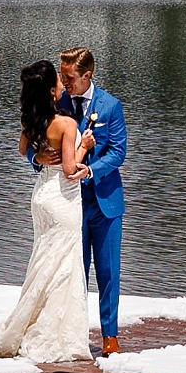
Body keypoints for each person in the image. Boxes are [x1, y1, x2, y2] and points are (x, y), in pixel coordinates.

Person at [0, 56, 96, 361]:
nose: (63, 84)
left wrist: (38, 157)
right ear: (50, 90)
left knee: (45, 258)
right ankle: (55, 332)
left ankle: (30, 320)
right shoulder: (66, 124)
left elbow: (24, 149)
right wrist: (85, 146)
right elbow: (71, 167)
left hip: (41, 196)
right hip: (63, 199)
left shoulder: (31, 119)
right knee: (64, 265)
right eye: (59, 81)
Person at [59, 46, 129, 354]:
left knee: (107, 271)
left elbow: (118, 152)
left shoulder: (110, 106)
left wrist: (90, 170)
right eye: (61, 74)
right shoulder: (58, 104)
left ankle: (110, 337)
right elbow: (39, 143)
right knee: (73, 273)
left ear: (87, 75)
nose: (64, 81)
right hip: (68, 204)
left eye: (69, 76)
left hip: (105, 203)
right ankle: (72, 336)